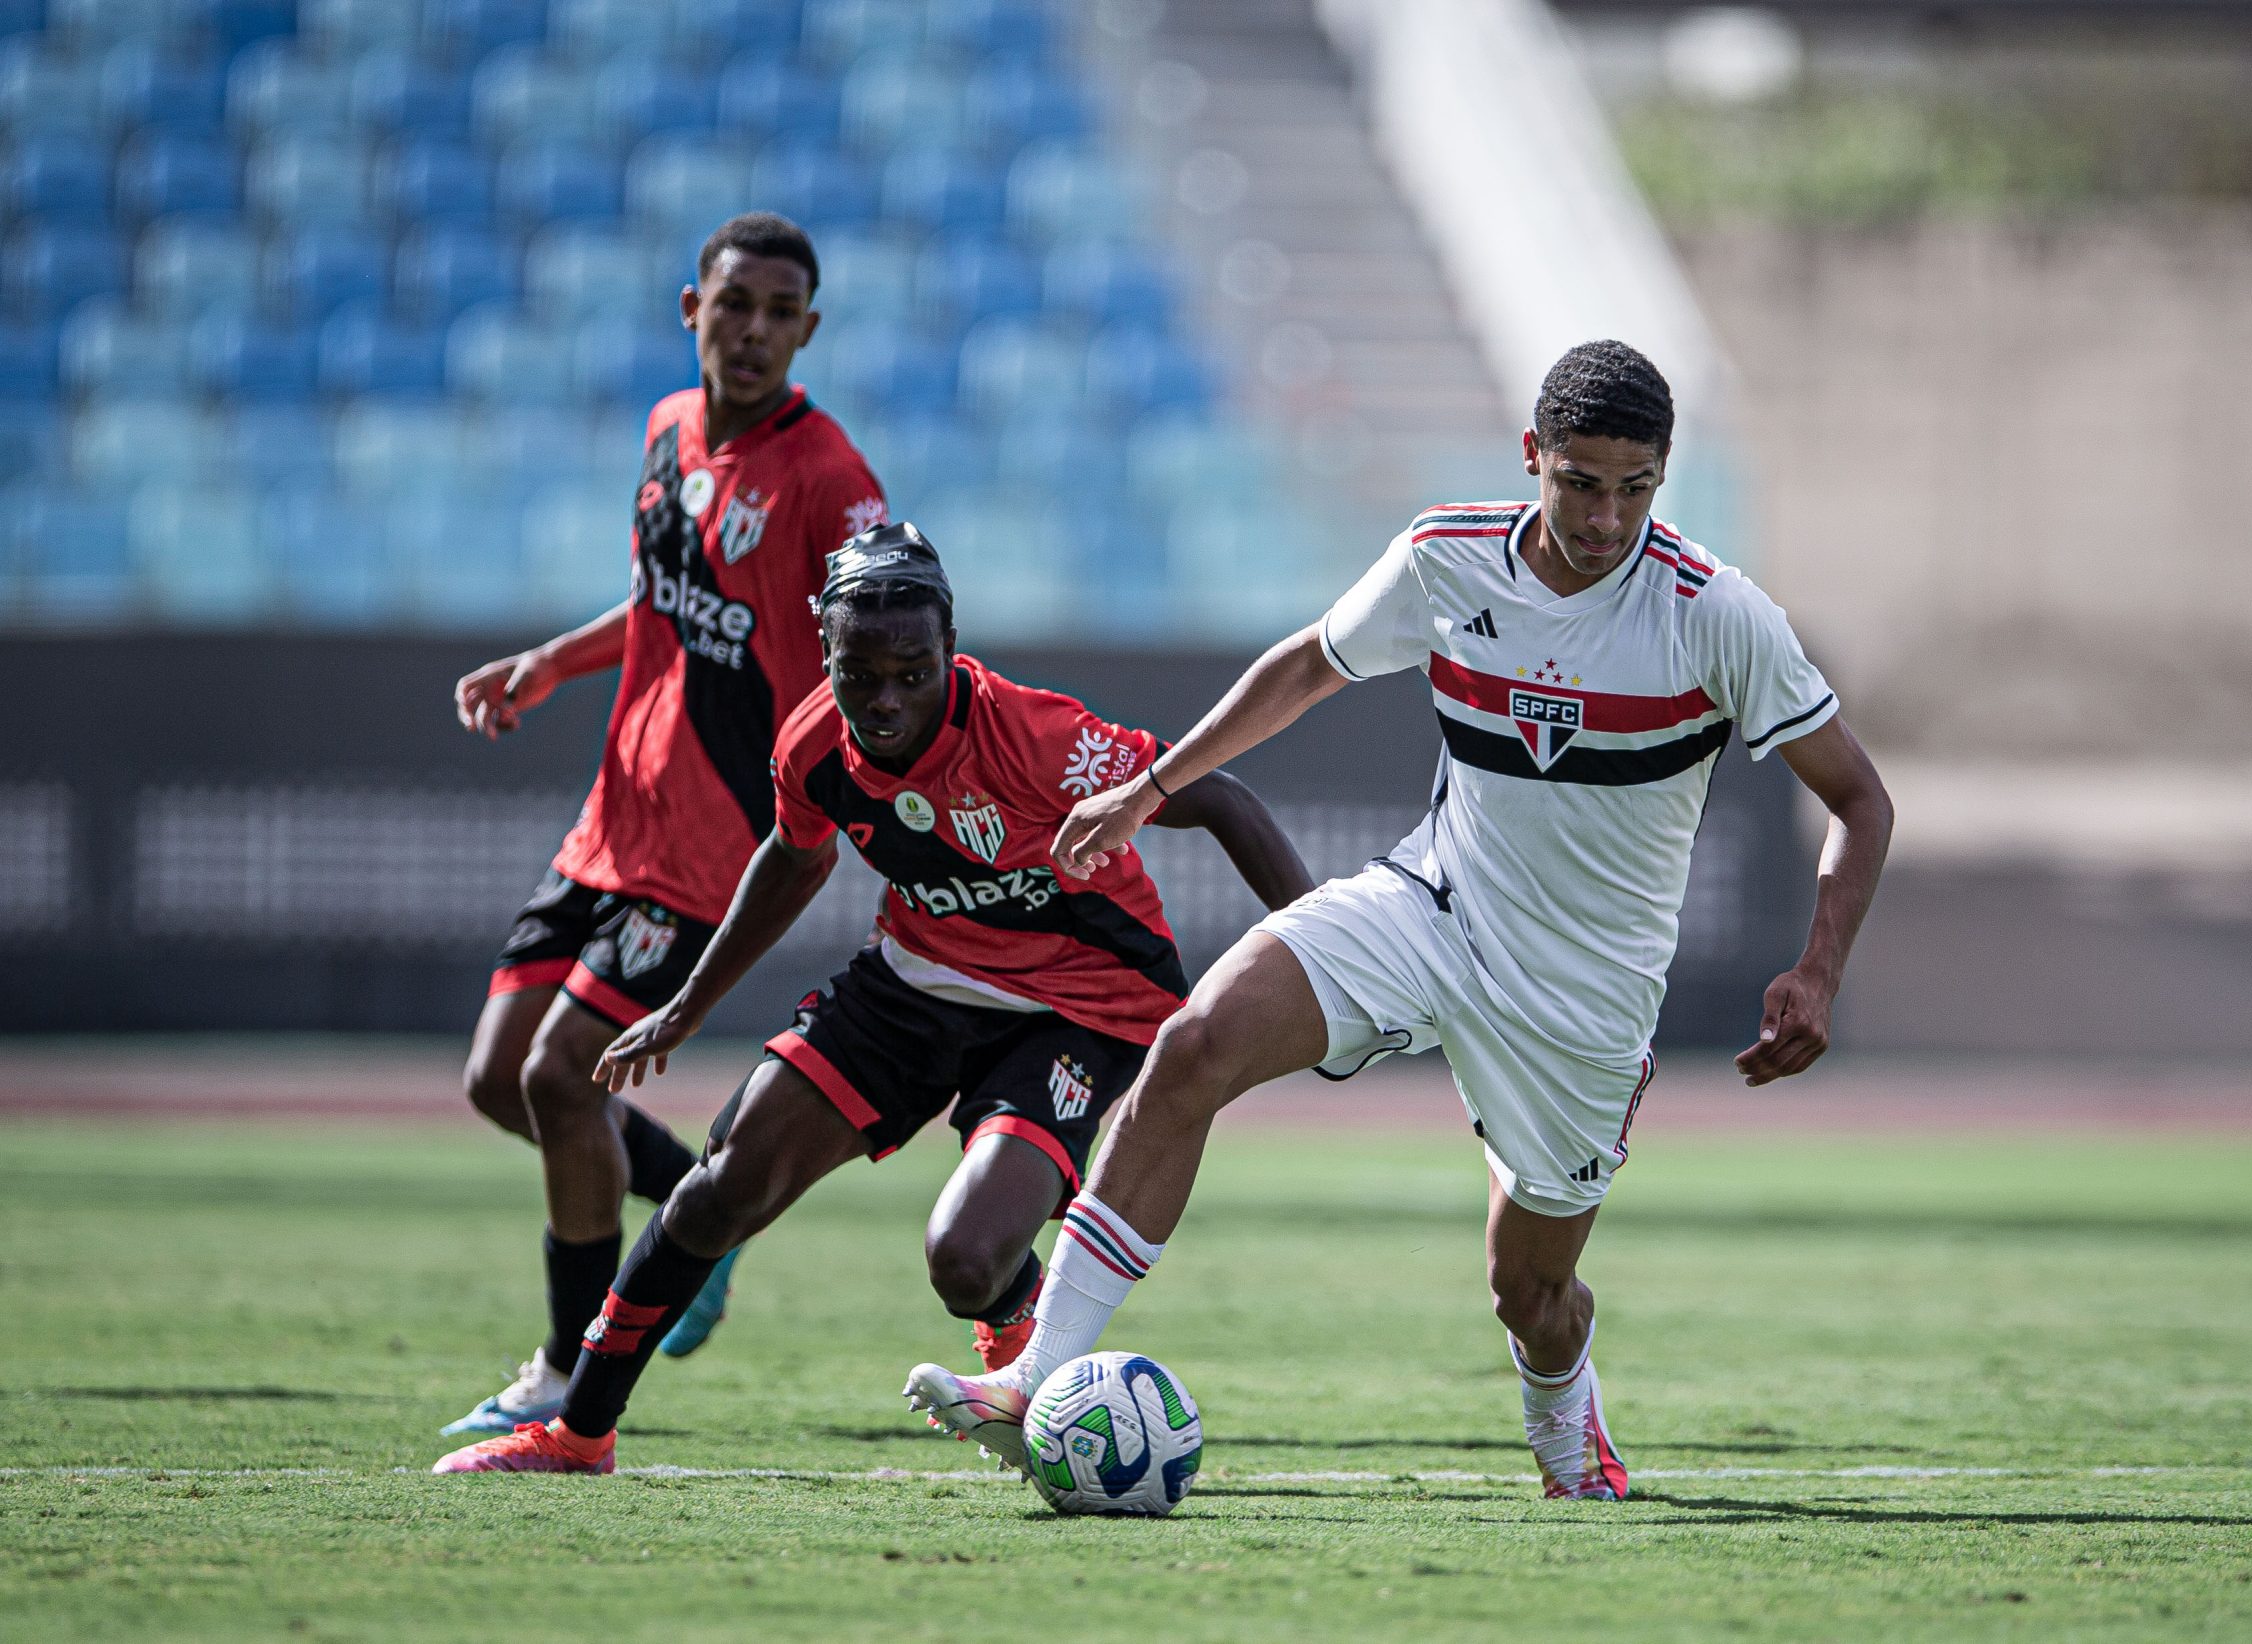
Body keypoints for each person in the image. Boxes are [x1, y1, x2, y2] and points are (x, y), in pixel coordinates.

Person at [901, 340, 1895, 1500]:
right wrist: (1149, 786)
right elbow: (1306, 668)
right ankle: (1038, 1373)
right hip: (1433, 906)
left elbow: (1860, 800)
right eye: (1580, 482)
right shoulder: (1446, 560)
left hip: (1584, 999)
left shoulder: (1714, 615)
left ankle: (1565, 1410)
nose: (1606, 518)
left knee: (1528, 1294)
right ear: (1532, 456)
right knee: (1192, 1047)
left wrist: (1818, 969)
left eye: (1634, 489)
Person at [431, 524, 1316, 1475]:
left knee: (964, 1261)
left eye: (913, 670)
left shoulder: (1038, 737)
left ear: (950, 649)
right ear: (826, 651)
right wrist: (688, 1004)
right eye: (861, 673)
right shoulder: (812, 744)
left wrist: (1319, 949)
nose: (886, 698)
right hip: (911, 983)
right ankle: (578, 1433)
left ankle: (1016, 1331)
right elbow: (793, 859)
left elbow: (1219, 797)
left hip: (1082, 1008)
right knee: (724, 1184)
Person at [442, 212, 889, 1437]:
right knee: (499, 1081)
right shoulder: (664, 429)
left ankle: (565, 1375)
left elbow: (888, 637)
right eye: (731, 304)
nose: (751, 331)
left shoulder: (830, 480)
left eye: (777, 312)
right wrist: (551, 660)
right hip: (611, 818)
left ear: (808, 329)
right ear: (689, 309)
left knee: (558, 1079)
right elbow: (659, 598)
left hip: (711, 843)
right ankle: (711, 1205)